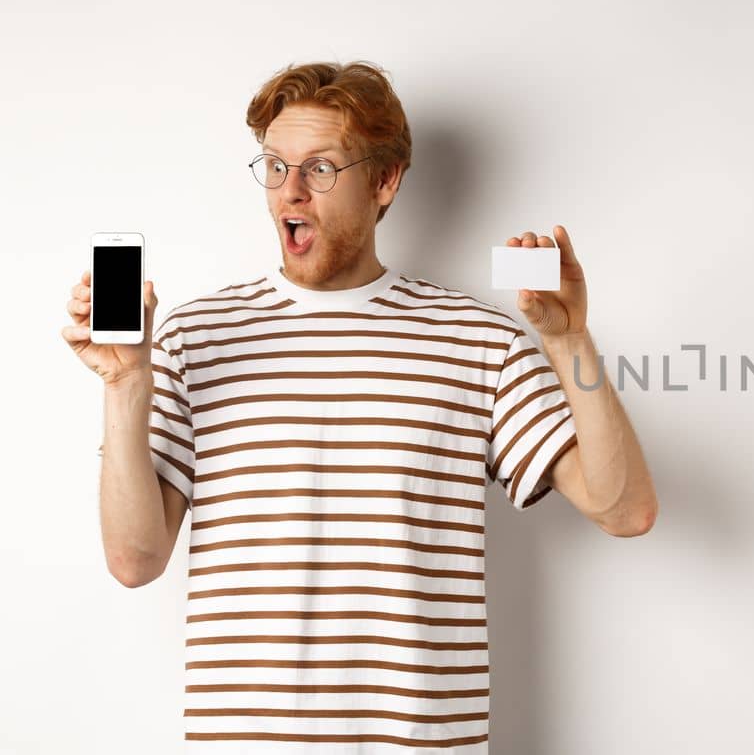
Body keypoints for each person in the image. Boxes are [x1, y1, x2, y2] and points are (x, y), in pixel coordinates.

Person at [59, 60, 658, 752]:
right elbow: (135, 560)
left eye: (320, 169)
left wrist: (568, 340)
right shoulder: (195, 338)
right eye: (275, 167)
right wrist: (125, 384)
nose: (290, 193)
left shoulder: (476, 339)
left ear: (385, 181)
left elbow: (625, 510)